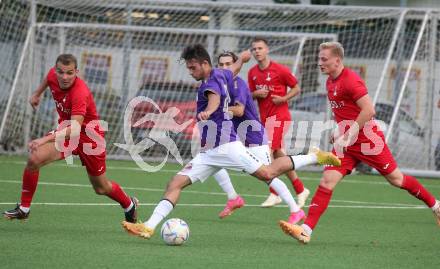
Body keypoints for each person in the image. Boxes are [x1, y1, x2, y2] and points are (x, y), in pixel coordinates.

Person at [121, 44, 341, 239]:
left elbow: (214, 99)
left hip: (226, 146)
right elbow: (232, 71)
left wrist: (209, 111)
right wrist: (242, 60)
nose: (190, 72)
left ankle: (315, 156)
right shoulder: (221, 74)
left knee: (268, 173)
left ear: (204, 63)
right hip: (209, 152)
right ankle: (148, 227)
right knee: (175, 183)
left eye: (193, 68)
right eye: (188, 68)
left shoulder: (211, 82)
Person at [279, 42, 440, 244]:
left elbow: (369, 110)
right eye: (320, 59)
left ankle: (436, 206)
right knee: (327, 181)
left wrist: (349, 134)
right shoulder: (330, 82)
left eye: (324, 59)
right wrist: (340, 131)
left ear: (337, 60)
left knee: (396, 179)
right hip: (347, 145)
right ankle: (305, 230)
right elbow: (346, 111)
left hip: (368, 141)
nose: (320, 62)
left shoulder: (351, 81)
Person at [2, 54, 138, 223]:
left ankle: (129, 204)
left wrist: (44, 140)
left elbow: (75, 129)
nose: (64, 77)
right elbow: (48, 78)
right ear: (55, 70)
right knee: (34, 158)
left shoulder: (80, 93)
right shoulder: (53, 75)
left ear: (77, 72)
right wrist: (37, 94)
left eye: (70, 73)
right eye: (61, 72)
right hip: (67, 132)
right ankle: (24, 208)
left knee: (101, 188)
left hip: (89, 138)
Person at [212, 51, 303, 221]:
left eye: (228, 64)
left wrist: (216, 110)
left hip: (253, 137)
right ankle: (233, 198)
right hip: (237, 138)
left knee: (268, 175)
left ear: (235, 65)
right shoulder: (219, 86)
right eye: (221, 64)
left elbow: (238, 111)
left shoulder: (238, 84)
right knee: (212, 158)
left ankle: (295, 209)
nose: (225, 67)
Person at [248, 37, 310, 208]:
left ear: (267, 50)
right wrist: (255, 94)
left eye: (260, 48)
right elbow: (249, 95)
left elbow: (297, 88)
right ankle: (300, 189)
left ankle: (275, 194)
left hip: (280, 117)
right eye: (254, 49)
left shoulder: (280, 70)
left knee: (266, 153)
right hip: (265, 119)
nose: (257, 51)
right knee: (278, 156)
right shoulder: (252, 72)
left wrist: (283, 98)